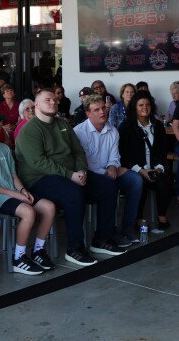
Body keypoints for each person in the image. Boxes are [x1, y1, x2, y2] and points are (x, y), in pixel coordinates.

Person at [15, 89, 123, 266]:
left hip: (71, 175)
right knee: (73, 193)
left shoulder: (62, 124)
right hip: (39, 179)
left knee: (108, 186)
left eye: (54, 100)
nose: (53, 102)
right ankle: (74, 249)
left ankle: (102, 239)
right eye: (47, 100)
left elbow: (78, 151)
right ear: (37, 105)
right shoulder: (29, 130)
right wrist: (70, 175)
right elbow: (38, 162)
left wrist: (81, 170)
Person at [0, 109, 56, 275]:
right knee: (28, 212)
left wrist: (22, 190)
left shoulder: (4, 148)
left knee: (49, 207)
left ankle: (38, 251)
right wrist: (16, 195)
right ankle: (19, 257)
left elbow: (13, 176)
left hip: (12, 192)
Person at [75, 95, 142, 244]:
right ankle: (108, 232)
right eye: (96, 110)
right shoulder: (79, 132)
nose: (102, 112)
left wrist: (113, 167)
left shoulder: (113, 130)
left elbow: (114, 157)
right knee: (108, 184)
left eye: (103, 108)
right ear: (88, 113)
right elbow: (83, 163)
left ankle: (128, 226)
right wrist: (107, 172)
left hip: (110, 172)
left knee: (136, 180)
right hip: (89, 176)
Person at [118, 91, 173, 232]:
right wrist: (141, 170)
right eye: (141, 105)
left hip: (155, 168)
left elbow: (163, 150)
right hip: (135, 168)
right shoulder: (126, 126)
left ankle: (162, 217)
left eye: (148, 104)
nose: (145, 107)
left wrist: (159, 168)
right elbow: (124, 154)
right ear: (134, 107)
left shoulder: (158, 126)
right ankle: (139, 218)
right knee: (139, 182)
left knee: (166, 180)